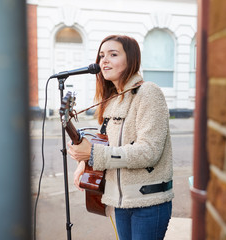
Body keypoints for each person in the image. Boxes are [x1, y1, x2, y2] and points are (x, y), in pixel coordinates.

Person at [67, 35, 174, 240]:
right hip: (120, 202)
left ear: (131, 59)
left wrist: (93, 153)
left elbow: (149, 151)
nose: (104, 61)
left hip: (148, 203)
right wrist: (86, 162)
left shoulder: (148, 93)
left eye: (113, 54)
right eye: (101, 56)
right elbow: (103, 144)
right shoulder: (112, 100)